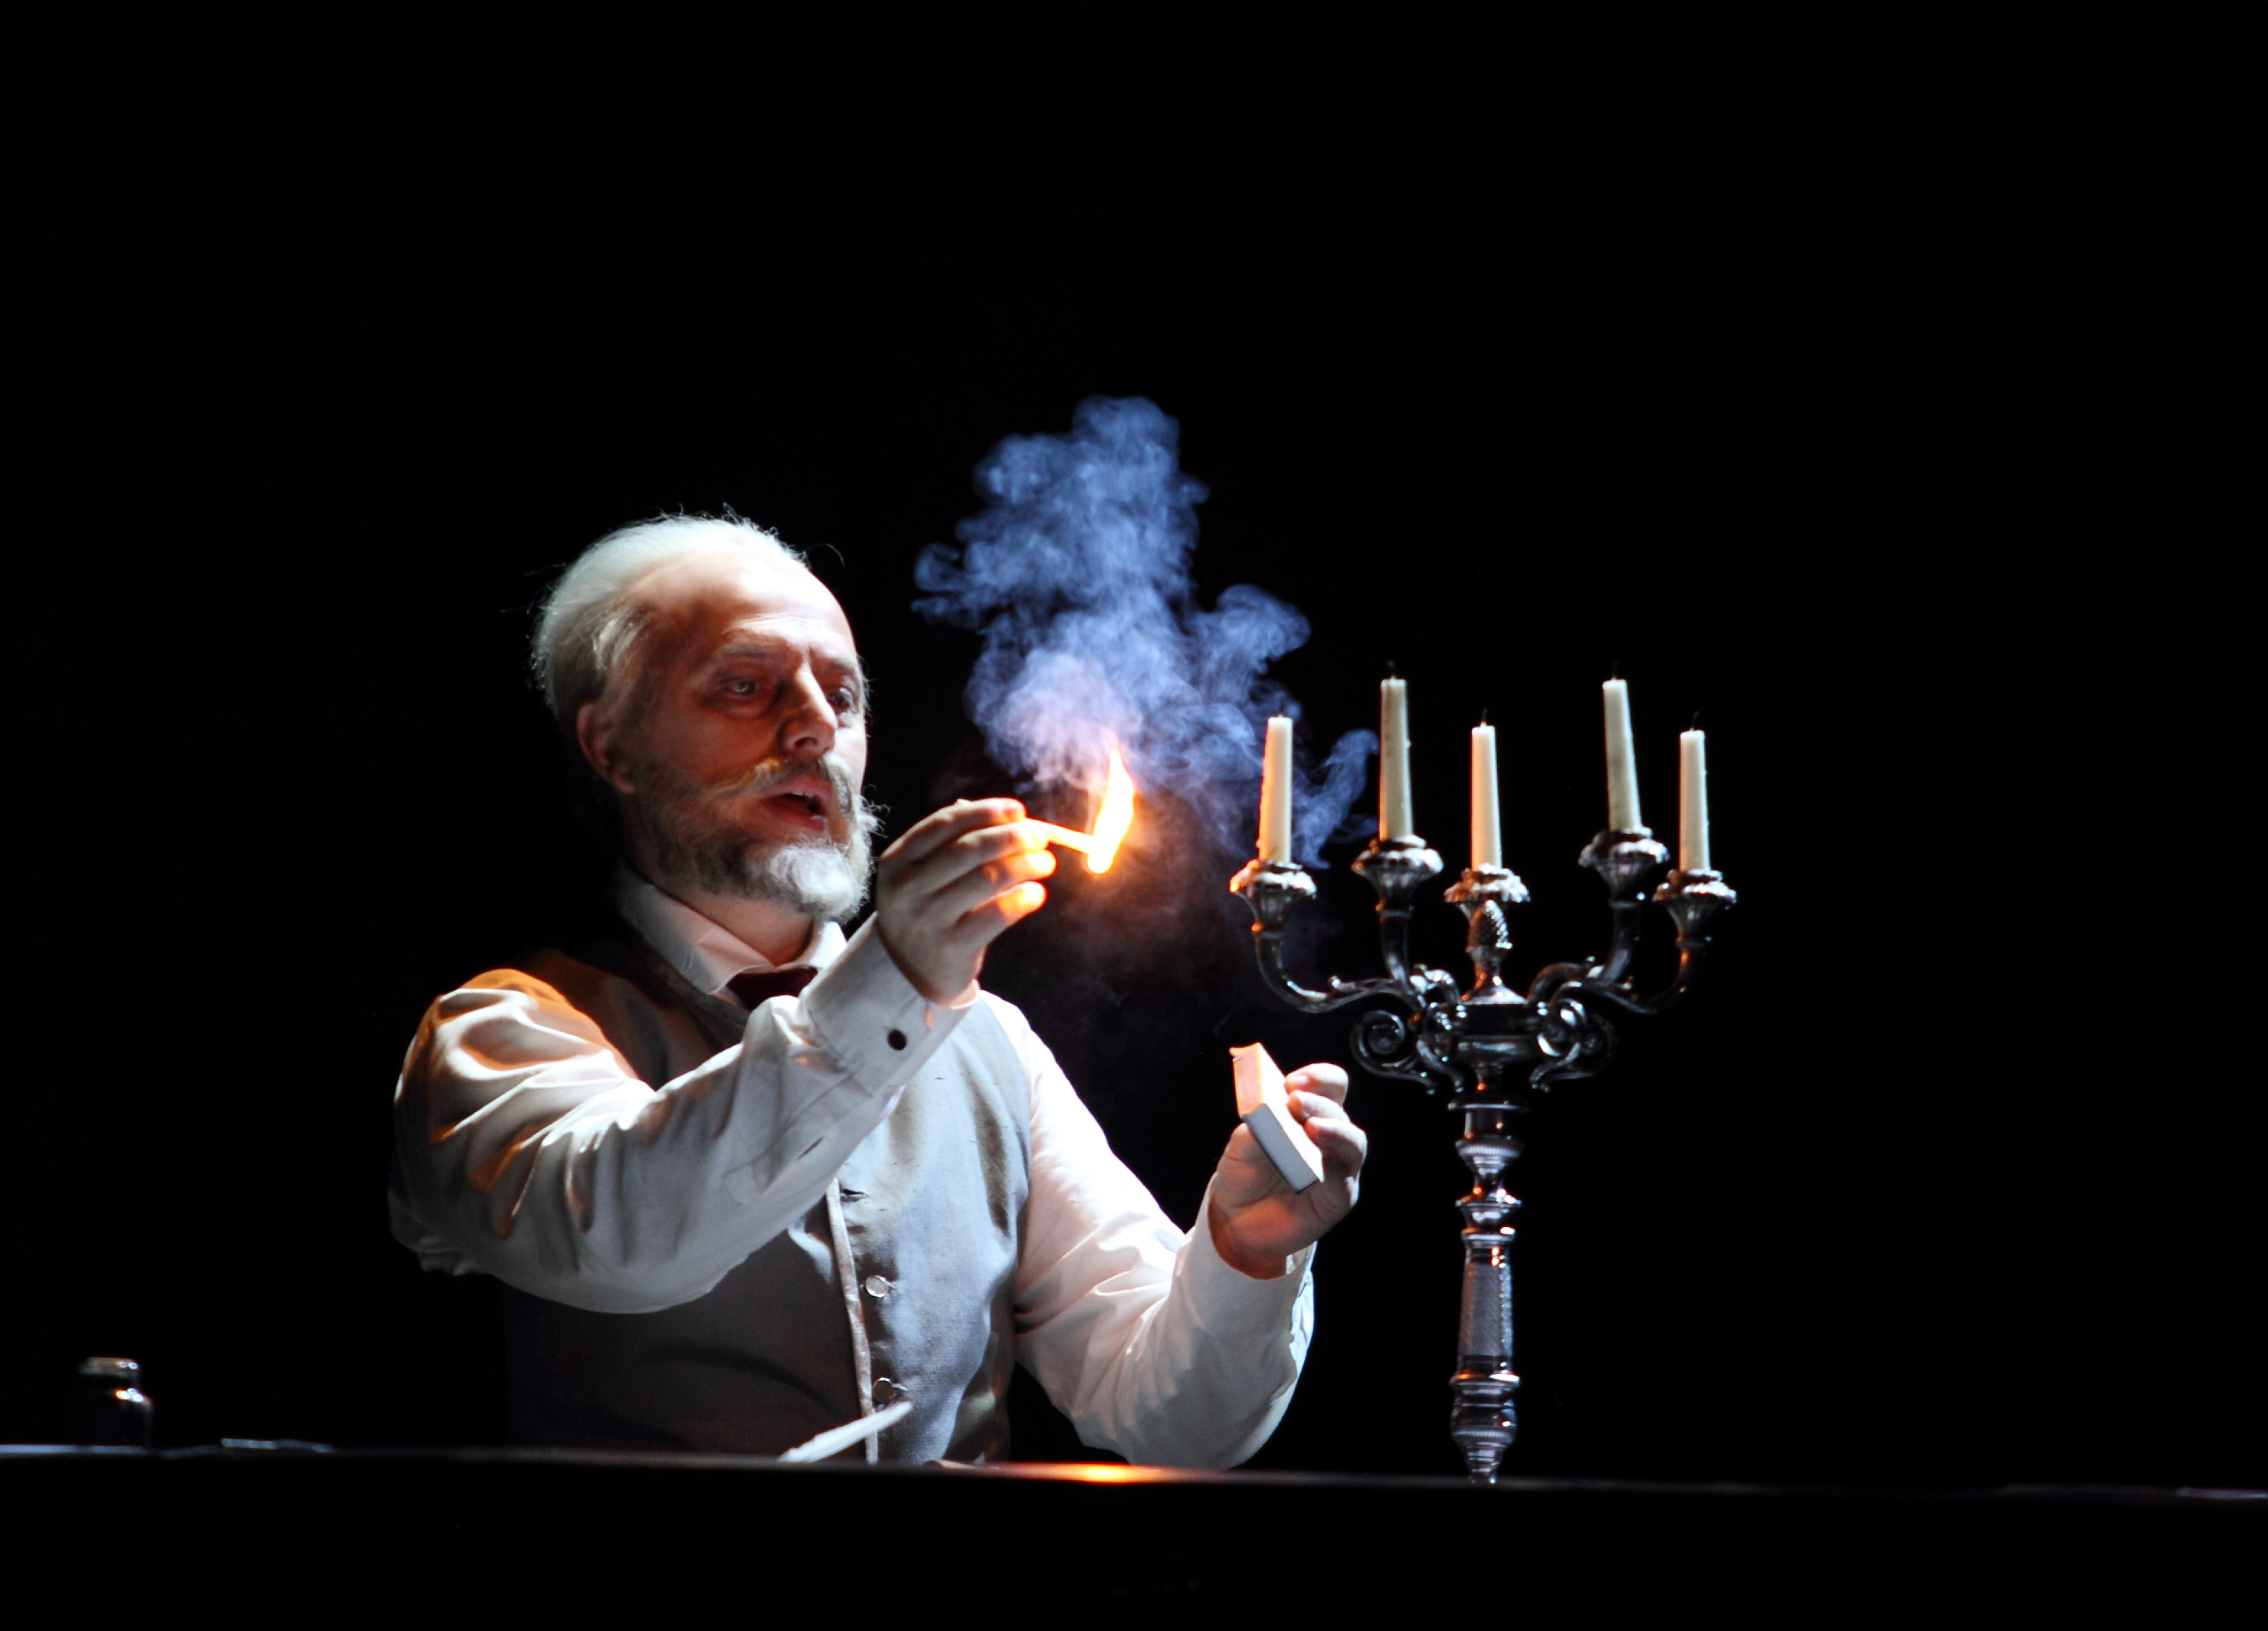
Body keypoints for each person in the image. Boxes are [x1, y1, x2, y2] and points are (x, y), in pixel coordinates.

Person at [388, 514, 1368, 1466]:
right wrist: (892, 982)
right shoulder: (500, 1029)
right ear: (610, 745)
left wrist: (1243, 1255)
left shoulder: (987, 1041)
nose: (814, 725)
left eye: (843, 697)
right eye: (744, 684)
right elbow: (622, 1236)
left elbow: (1170, 1421)